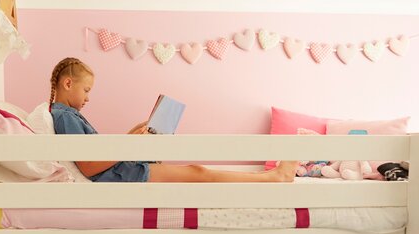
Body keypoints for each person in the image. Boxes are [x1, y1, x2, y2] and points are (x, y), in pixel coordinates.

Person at [48, 57, 297, 183]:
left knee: (196, 170)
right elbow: (89, 167)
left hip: (122, 169)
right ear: (68, 83)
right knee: (197, 171)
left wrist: (132, 135)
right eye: (87, 90)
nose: (88, 97)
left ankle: (271, 177)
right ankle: (273, 178)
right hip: (123, 175)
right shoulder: (63, 115)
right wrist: (129, 143)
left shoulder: (69, 116)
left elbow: (94, 156)